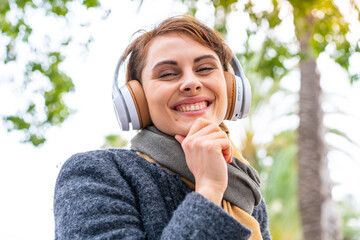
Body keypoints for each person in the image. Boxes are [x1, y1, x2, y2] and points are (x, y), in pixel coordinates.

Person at [54, 15, 271, 240]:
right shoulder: (97, 172)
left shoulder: (244, 189)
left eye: (205, 68)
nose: (192, 83)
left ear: (229, 86)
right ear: (137, 99)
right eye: (167, 74)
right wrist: (208, 191)